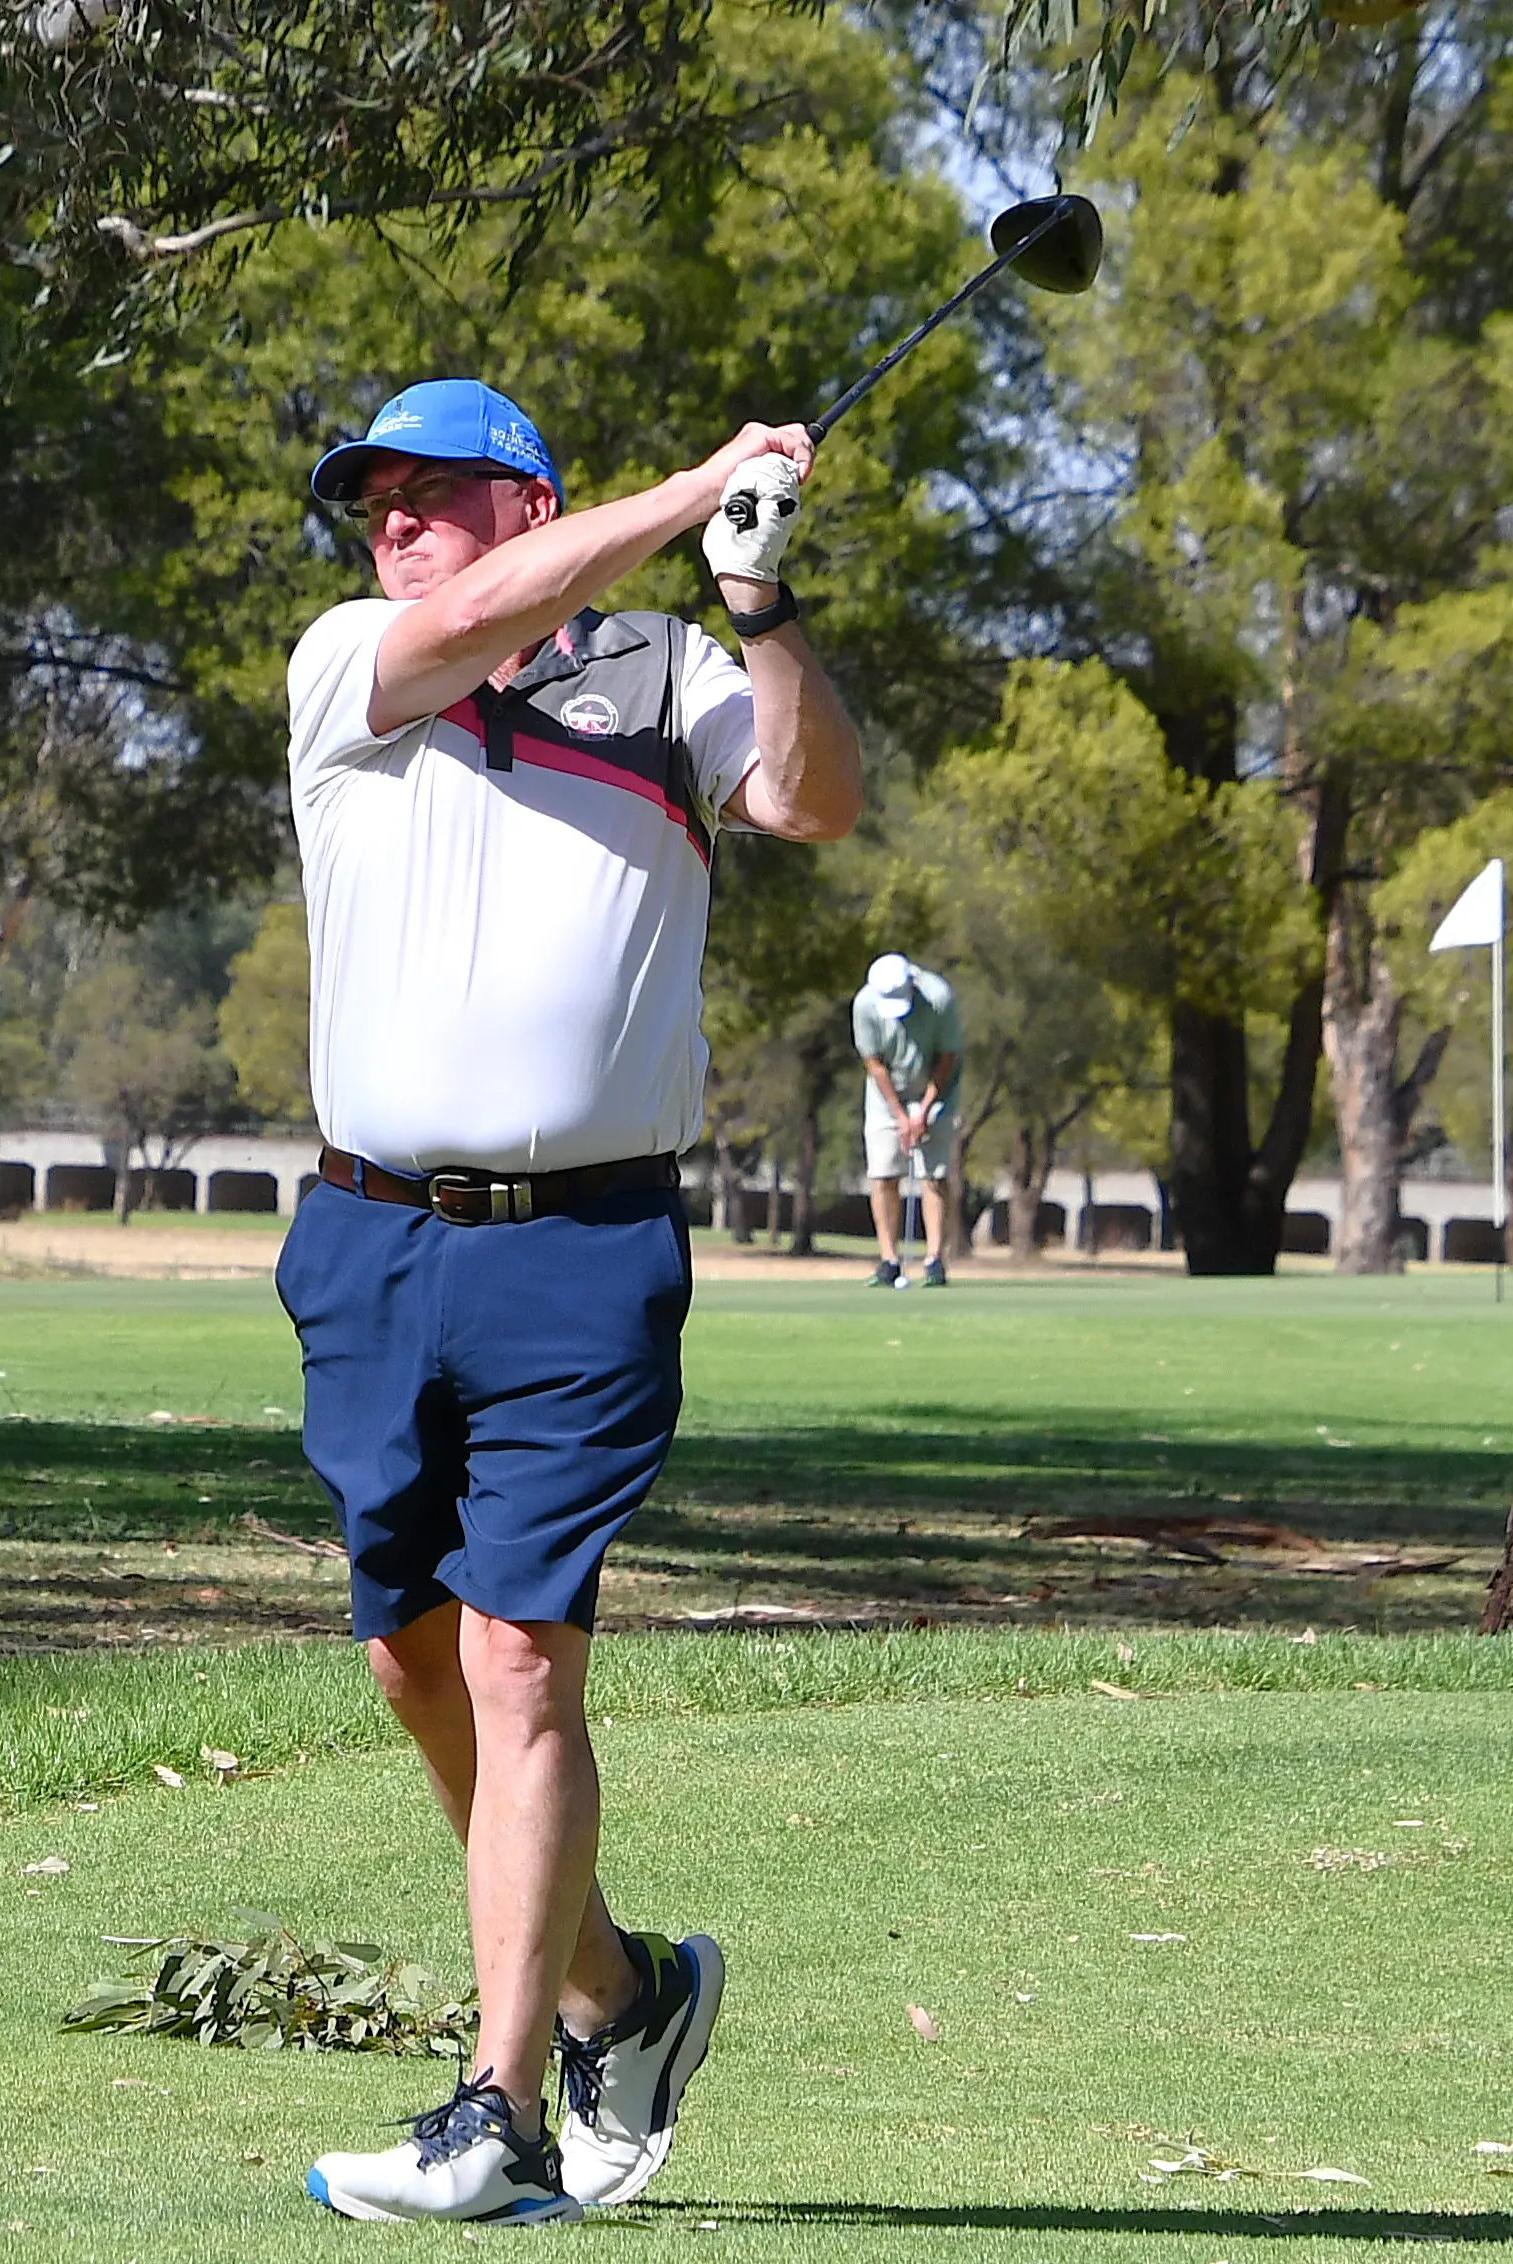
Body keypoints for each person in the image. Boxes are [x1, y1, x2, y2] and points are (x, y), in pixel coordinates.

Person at [279, 379, 862, 2225]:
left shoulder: (666, 671)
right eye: (367, 497)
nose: (388, 522)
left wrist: (759, 606)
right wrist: (700, 476)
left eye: (424, 492)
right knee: (412, 1659)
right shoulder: (353, 657)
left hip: (580, 1248)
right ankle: (624, 1988)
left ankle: (497, 2108)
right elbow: (460, 625)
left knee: (521, 1652)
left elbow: (814, 801)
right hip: (368, 1243)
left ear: (522, 495)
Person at [851, 951, 962, 1289]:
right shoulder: (865, 1004)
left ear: (913, 985)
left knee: (934, 1174)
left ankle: (934, 1260)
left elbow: (948, 1057)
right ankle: (888, 1260)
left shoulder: (939, 997)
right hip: (887, 1094)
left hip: (936, 1088)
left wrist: (924, 1111)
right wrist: (900, 1115)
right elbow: (874, 1063)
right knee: (883, 1173)